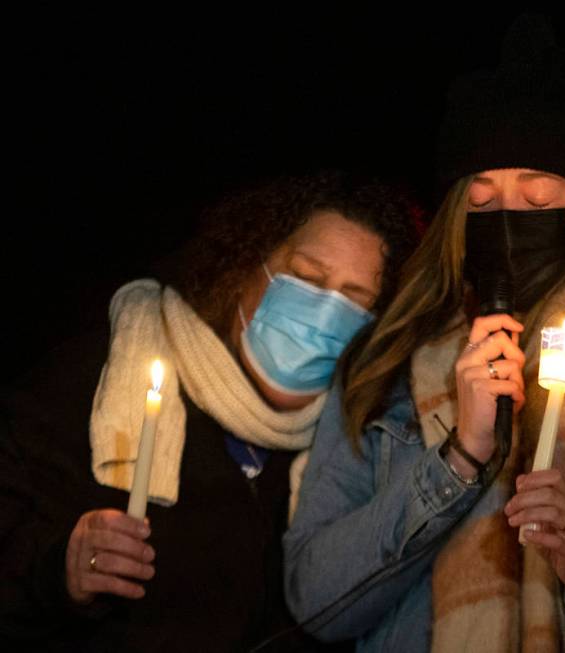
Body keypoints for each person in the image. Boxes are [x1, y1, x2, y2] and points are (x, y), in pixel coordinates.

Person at [284, 17, 565, 653]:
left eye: (537, 204)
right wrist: (459, 459)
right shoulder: (383, 364)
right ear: (454, 216)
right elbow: (317, 599)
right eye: (481, 203)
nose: (507, 222)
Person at [0, 171, 418, 651]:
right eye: (306, 278)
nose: (325, 313)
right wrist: (59, 573)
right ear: (244, 267)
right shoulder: (90, 386)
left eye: (353, 299)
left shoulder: (356, 449)